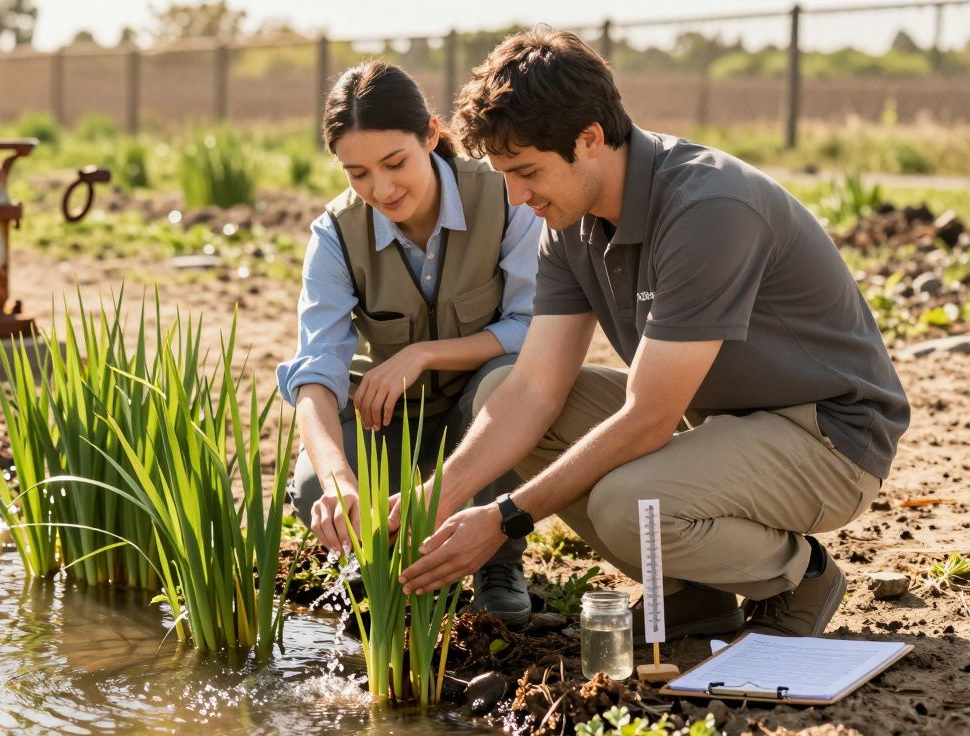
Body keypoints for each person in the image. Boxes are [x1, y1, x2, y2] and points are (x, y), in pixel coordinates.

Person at [394, 29, 909, 642]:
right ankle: (693, 596)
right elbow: (533, 389)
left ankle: (801, 576)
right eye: (505, 174)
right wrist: (437, 495)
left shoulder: (706, 205)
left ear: (588, 138)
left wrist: (506, 517)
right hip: (718, 427)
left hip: (827, 438)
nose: (516, 196)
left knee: (628, 503)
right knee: (500, 388)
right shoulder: (569, 222)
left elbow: (649, 417)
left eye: (527, 170)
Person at [277, 60, 545, 624]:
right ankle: (383, 560)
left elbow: (534, 327)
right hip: (391, 424)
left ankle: (498, 558)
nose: (382, 188)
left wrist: (420, 354)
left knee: (511, 378)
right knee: (308, 481)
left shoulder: (507, 196)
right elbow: (314, 371)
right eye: (358, 174)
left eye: (395, 163)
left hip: (482, 419)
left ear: (431, 133)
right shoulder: (334, 234)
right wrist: (335, 479)